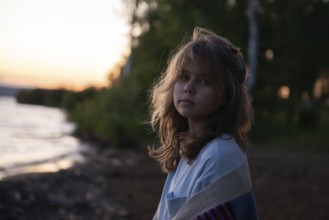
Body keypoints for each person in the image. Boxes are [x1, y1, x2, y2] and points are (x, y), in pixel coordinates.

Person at [148, 27, 258, 220]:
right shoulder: (189, 150)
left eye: (205, 81)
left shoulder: (220, 155)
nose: (189, 88)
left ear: (226, 94)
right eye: (184, 77)